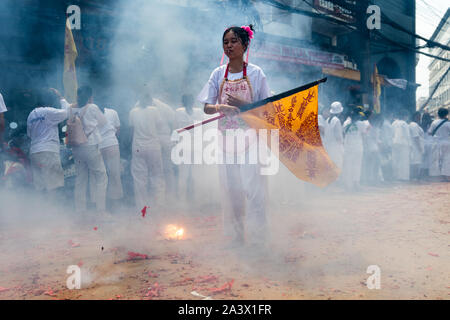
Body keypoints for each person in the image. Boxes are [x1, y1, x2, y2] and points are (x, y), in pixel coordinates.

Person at [198, 25, 271, 250]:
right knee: (231, 190)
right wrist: (221, 106)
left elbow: (267, 107)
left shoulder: (257, 73)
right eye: (226, 42)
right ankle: (236, 238)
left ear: (245, 45)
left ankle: (259, 239)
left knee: (254, 190)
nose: (229, 45)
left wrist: (244, 106)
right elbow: (207, 108)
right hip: (226, 140)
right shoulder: (218, 73)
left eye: (234, 41)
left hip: (251, 139)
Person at [69, 86, 108, 216]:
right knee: (100, 176)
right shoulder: (92, 107)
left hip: (76, 147)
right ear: (90, 96)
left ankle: (80, 210)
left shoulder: (71, 108)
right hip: (90, 145)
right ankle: (100, 210)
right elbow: (103, 122)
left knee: (80, 178)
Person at [26, 88, 68, 195]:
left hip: (35, 152)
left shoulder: (31, 115)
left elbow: (30, 135)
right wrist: (61, 98)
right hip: (48, 151)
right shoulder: (48, 111)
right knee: (54, 185)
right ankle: (54, 210)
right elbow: (67, 112)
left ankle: (42, 209)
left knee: (40, 186)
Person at [129, 90, 165, 211]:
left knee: (139, 179)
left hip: (138, 147)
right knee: (157, 176)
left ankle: (142, 207)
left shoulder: (133, 112)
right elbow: (160, 126)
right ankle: (159, 205)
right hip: (153, 147)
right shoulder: (154, 110)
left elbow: (131, 130)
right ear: (150, 100)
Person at [175, 94, 204, 204]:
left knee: (194, 173)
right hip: (185, 146)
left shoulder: (198, 112)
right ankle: (184, 200)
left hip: (195, 145)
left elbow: (203, 128)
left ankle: (196, 198)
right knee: (185, 174)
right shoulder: (179, 112)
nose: (189, 102)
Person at [94, 102, 123, 210]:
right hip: (112, 145)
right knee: (114, 174)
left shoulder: (91, 114)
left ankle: (100, 204)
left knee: (100, 177)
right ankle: (115, 203)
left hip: (99, 147)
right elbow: (118, 130)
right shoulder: (113, 112)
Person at [153, 97, 178, 203]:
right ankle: (169, 195)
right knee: (168, 168)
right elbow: (174, 124)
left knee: (157, 169)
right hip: (166, 138)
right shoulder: (166, 107)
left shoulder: (142, 105)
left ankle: (159, 198)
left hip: (155, 139)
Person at [341, 106, 368, 191]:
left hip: (348, 147)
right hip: (358, 148)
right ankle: (356, 184)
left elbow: (343, 134)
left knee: (348, 166)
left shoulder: (346, 123)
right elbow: (364, 135)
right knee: (357, 166)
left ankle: (348, 185)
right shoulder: (361, 124)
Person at [428, 108, 450, 180]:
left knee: (435, 159)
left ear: (438, 114)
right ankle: (446, 176)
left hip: (436, 143)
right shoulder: (448, 123)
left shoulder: (434, 122)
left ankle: (436, 176)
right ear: (446, 114)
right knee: (446, 159)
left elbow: (430, 132)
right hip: (446, 143)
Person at [391, 109, 411, 181]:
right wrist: (410, 145)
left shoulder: (394, 123)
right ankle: (403, 177)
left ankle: (395, 176)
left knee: (395, 160)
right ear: (405, 116)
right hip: (404, 144)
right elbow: (407, 135)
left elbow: (392, 133)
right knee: (404, 160)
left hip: (394, 143)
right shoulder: (404, 123)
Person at [324, 101, 344, 170]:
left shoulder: (327, 120)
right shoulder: (337, 121)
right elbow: (338, 137)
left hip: (328, 148)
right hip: (335, 149)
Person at [409, 112, 424, 181]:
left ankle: (415, 177)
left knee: (416, 162)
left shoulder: (415, 125)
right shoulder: (414, 125)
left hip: (416, 146)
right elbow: (416, 137)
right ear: (415, 117)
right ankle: (414, 177)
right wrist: (419, 147)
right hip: (415, 146)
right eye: (418, 116)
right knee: (415, 162)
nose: (420, 118)